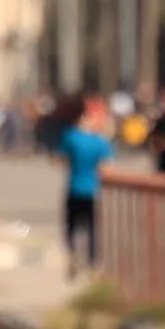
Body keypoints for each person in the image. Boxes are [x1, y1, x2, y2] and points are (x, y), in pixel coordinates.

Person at [55, 101, 113, 279]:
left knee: (72, 226)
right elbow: (107, 168)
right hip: (92, 189)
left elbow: (59, 160)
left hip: (74, 186)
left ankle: (73, 256)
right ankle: (93, 263)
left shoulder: (71, 137)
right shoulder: (100, 142)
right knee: (92, 228)